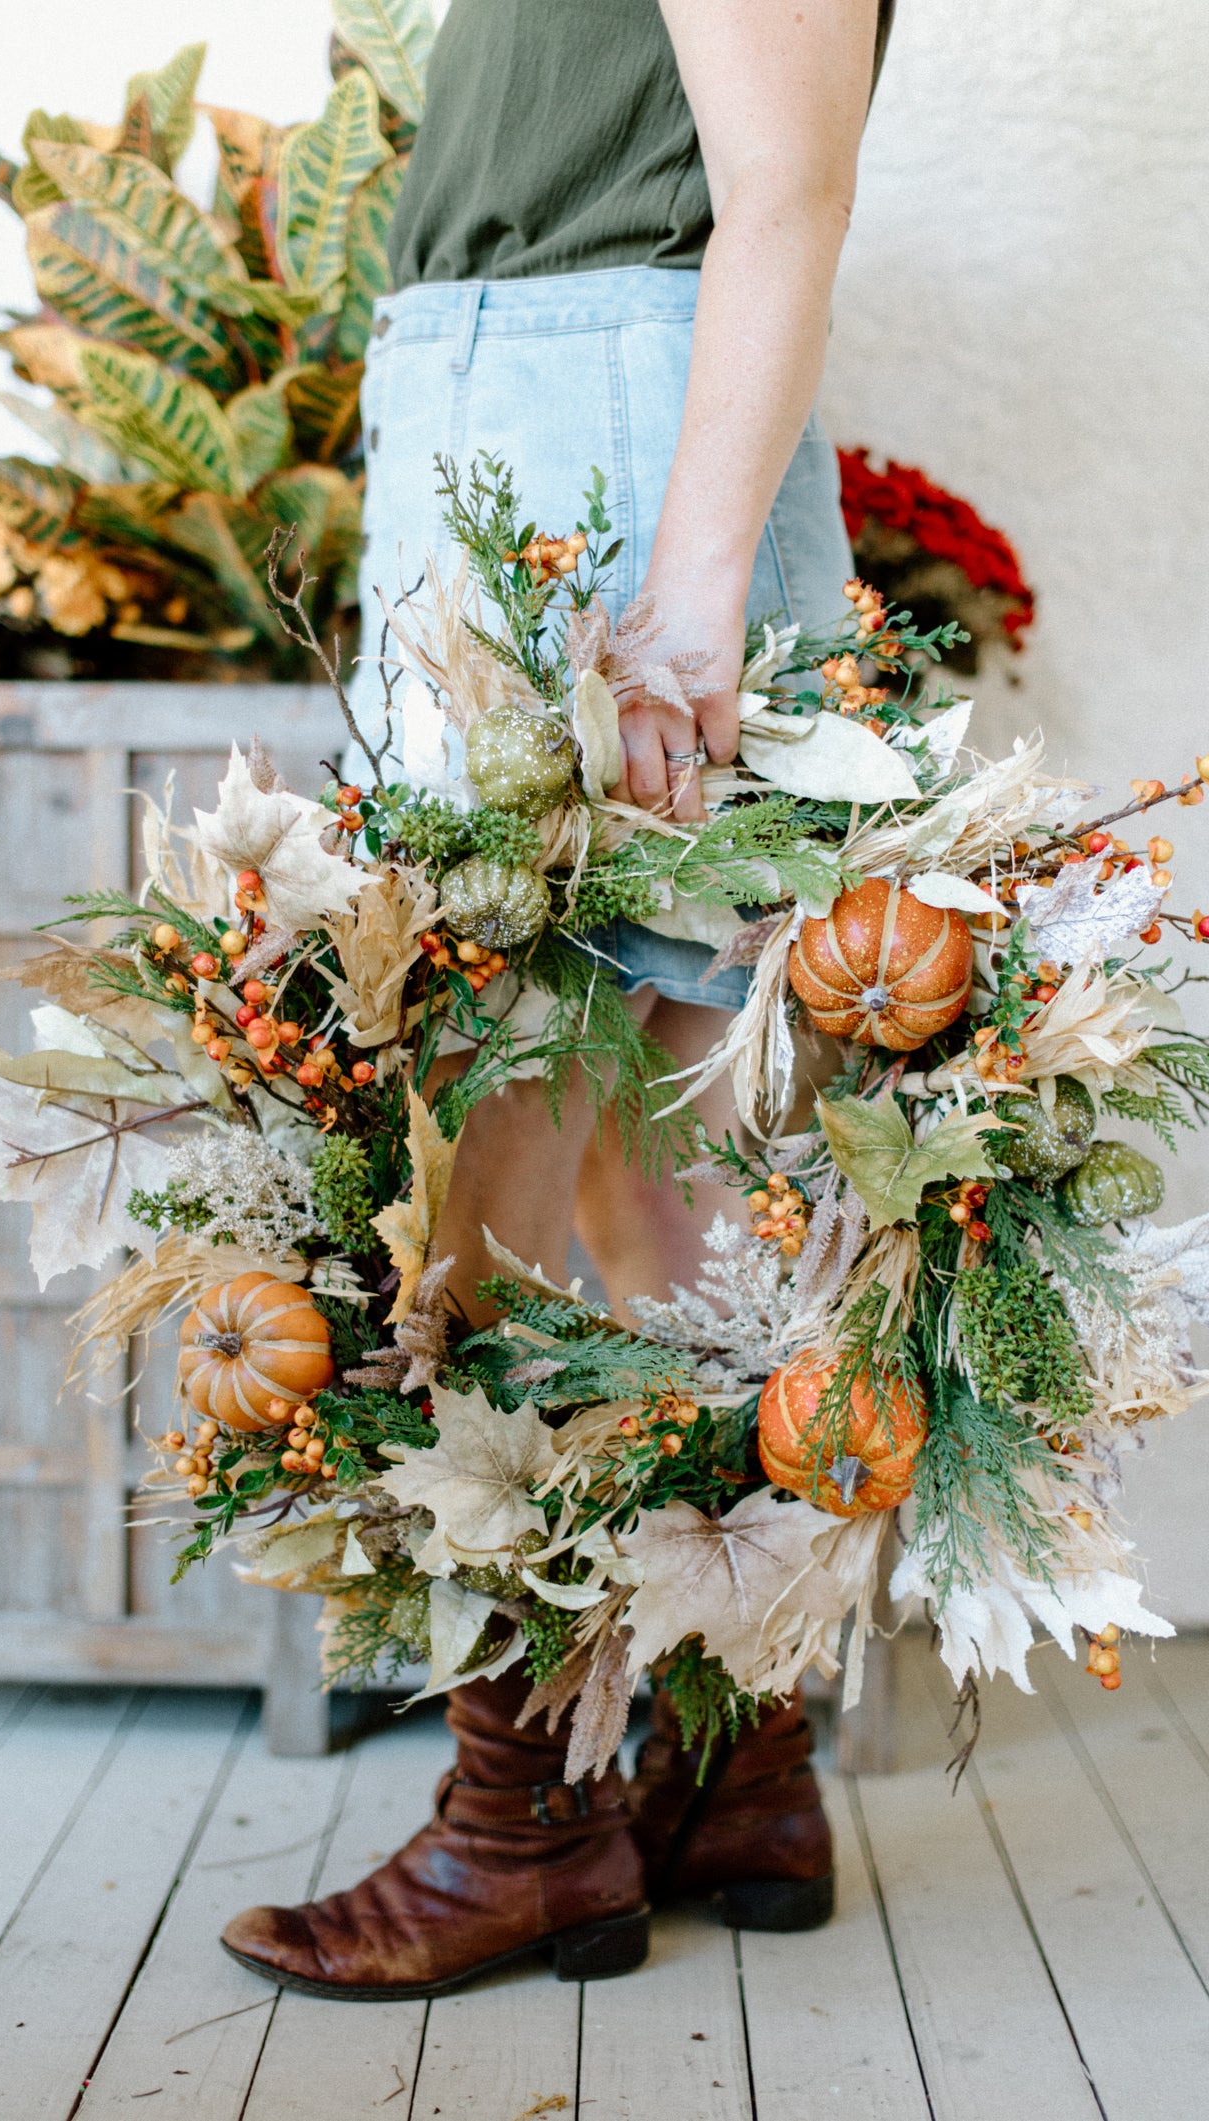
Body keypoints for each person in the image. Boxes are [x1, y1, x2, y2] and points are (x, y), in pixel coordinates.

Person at [222, 0, 892, 2001]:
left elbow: (781, 184)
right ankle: (712, 1754)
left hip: (590, 404)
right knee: (658, 1152)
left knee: (523, 1139)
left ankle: (529, 1820)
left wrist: (689, 607)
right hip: (556, 389)